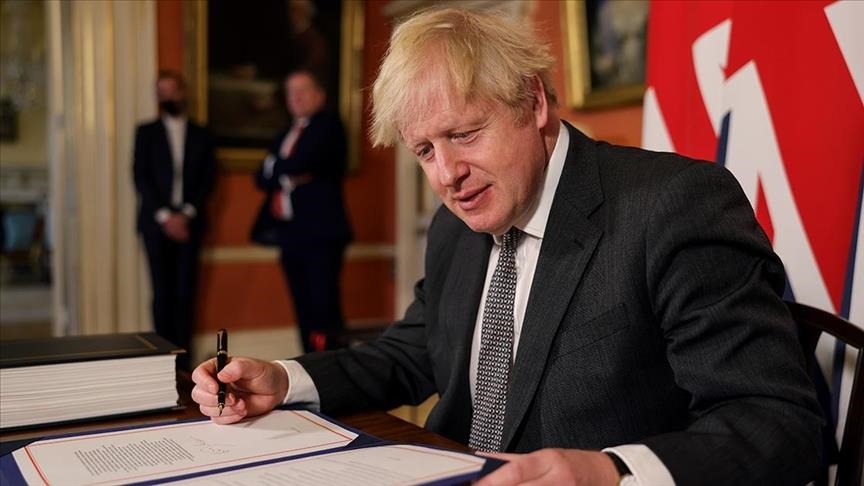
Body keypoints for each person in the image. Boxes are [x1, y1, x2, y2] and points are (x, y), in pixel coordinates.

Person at [192, 9, 823, 485]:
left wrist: (611, 471)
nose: (447, 175)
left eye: (465, 134)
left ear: (534, 101)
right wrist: (285, 378)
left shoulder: (671, 205)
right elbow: (414, 353)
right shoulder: (457, 225)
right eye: (425, 150)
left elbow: (779, 423)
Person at [250, 69, 352, 353]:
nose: (295, 97)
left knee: (324, 307)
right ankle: (309, 364)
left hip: (321, 233)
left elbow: (302, 163)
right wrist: (288, 174)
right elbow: (260, 178)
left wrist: (277, 167)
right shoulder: (285, 133)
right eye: (290, 91)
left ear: (319, 94)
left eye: (302, 90)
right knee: (302, 306)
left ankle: (330, 365)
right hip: (289, 232)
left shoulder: (329, 126)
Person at [134, 70, 216, 370]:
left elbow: (208, 179)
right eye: (162, 91)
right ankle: (161, 361)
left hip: (191, 223)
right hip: (155, 225)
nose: (168, 97)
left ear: (183, 92)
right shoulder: (146, 133)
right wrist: (167, 217)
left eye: (172, 90)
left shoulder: (202, 134)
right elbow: (140, 176)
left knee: (185, 294)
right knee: (161, 293)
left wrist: (186, 214)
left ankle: (185, 365)